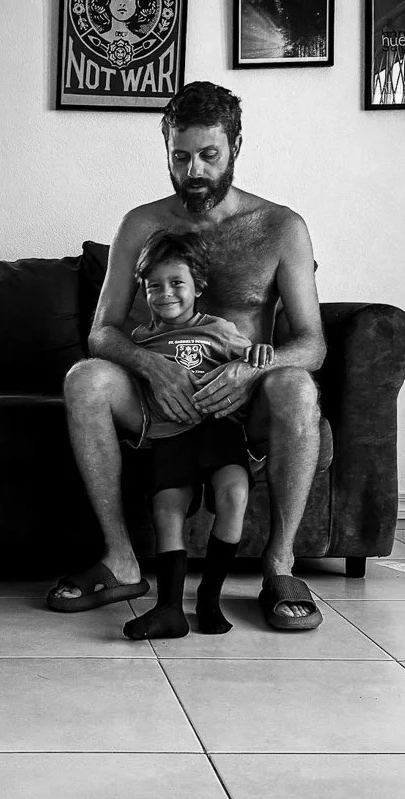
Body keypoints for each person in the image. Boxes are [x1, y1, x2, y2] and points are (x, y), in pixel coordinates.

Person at [47, 79, 325, 630]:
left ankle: (280, 567)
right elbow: (101, 333)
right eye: (180, 156)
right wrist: (152, 364)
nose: (193, 170)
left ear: (235, 149)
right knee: (85, 378)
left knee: (297, 385)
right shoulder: (141, 224)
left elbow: (312, 343)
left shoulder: (280, 228)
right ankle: (122, 562)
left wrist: (252, 371)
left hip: (243, 405)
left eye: (208, 155)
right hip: (160, 400)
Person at [122, 230, 273, 641]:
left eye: (177, 284)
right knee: (167, 510)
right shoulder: (139, 340)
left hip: (219, 431)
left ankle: (209, 596)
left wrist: (259, 357)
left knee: (234, 495)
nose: (165, 293)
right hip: (171, 439)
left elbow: (251, 359)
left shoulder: (219, 330)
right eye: (154, 286)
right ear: (143, 290)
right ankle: (169, 608)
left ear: (198, 287)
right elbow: (121, 369)